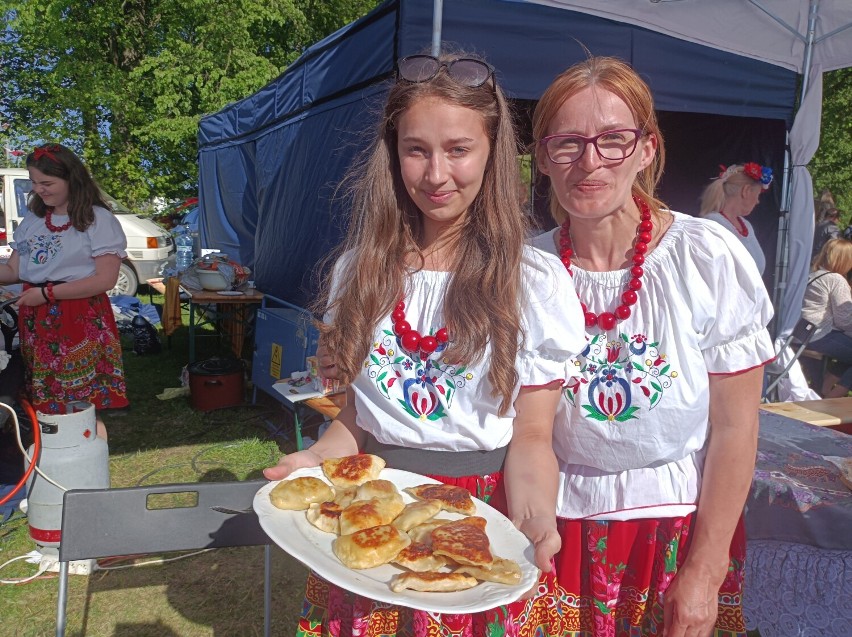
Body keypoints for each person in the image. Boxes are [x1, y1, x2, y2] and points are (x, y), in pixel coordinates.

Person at [263, 52, 587, 637]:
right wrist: (315, 461)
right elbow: (359, 415)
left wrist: (534, 519)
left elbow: (534, 435)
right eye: (416, 150)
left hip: (477, 512)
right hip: (372, 501)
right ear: (393, 155)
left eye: (459, 149)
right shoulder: (358, 272)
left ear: (493, 154)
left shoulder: (534, 281)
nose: (437, 174)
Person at [529, 56, 775, 636]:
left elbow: (737, 429)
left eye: (613, 140)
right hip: (553, 529)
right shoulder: (526, 268)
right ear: (541, 157)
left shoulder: (705, 256)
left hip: (674, 532)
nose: (590, 162)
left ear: (647, 149)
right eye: (567, 143)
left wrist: (705, 572)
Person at [0, 144, 128, 439]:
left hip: (78, 317)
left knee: (80, 406)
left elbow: (105, 280)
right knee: (46, 405)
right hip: (37, 320)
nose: (39, 190)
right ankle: (57, 467)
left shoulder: (97, 219)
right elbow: (13, 273)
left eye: (47, 183)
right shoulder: (33, 221)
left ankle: (90, 470)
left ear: (72, 179)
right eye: (34, 183)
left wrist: (47, 295)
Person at [698, 162, 773, 275]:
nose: (757, 201)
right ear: (746, 191)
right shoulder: (714, 224)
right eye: (757, 195)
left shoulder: (745, 224)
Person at [801, 238, 852, 398]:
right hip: (819, 335)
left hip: (802, 332)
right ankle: (831, 400)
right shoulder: (836, 279)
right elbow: (844, 320)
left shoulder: (813, 274)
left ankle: (824, 388)